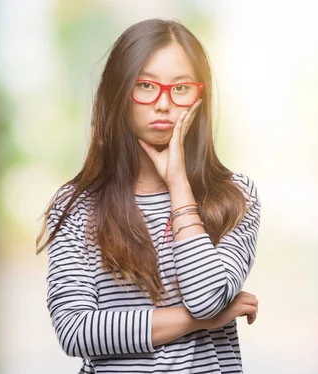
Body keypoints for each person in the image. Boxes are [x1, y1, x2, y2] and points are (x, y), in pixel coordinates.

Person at [36, 18, 262, 373]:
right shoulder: (77, 204)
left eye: (181, 88)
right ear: (119, 93)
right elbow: (75, 330)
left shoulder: (235, 197)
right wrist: (199, 321)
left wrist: (179, 186)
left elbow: (206, 298)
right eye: (145, 85)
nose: (162, 104)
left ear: (200, 97)